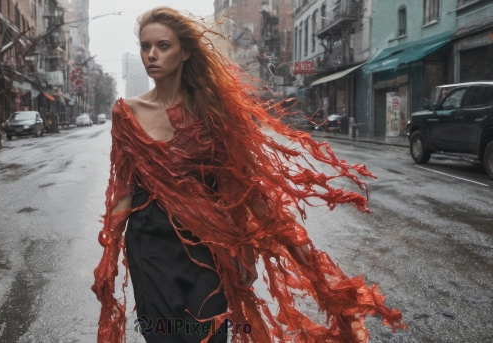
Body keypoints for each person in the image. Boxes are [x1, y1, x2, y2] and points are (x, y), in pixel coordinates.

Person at [92, 7, 406, 343]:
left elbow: (242, 186)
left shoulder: (214, 111)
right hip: (150, 246)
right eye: (145, 46)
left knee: (210, 335)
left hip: (209, 246)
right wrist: (108, 256)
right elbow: (123, 188)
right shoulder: (126, 113)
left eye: (162, 46)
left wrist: (281, 246)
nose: (151, 55)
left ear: (185, 52)